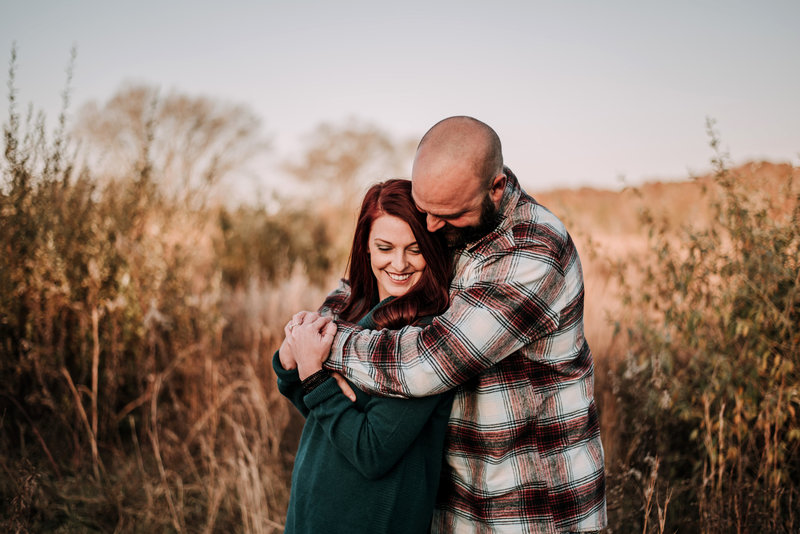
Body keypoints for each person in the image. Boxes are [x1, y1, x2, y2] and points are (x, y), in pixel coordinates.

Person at [291, 116, 607, 533]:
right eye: (426, 212)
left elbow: (425, 364)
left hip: (530, 502)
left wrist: (318, 349)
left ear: (495, 188)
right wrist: (307, 330)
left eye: (447, 215)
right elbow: (360, 287)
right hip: (456, 499)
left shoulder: (533, 251)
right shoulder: (452, 212)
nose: (433, 228)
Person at [274, 178, 455, 534]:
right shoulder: (353, 308)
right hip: (312, 510)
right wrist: (290, 358)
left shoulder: (429, 334)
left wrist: (316, 373)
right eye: (385, 247)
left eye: (415, 249)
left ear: (433, 250)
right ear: (366, 247)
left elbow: (371, 450)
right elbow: (316, 409)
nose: (399, 264)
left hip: (374, 519)